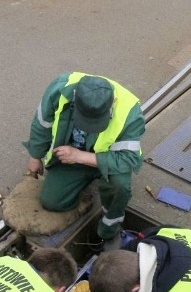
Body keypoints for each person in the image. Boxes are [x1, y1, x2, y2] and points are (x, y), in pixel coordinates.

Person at [25, 72, 145, 250]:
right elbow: (42, 124)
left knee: (120, 186)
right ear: (75, 98)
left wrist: (81, 156)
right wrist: (35, 156)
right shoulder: (60, 89)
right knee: (52, 202)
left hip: (108, 162)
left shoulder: (130, 113)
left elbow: (130, 159)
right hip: (70, 160)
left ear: (112, 103)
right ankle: (81, 189)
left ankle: (109, 232)